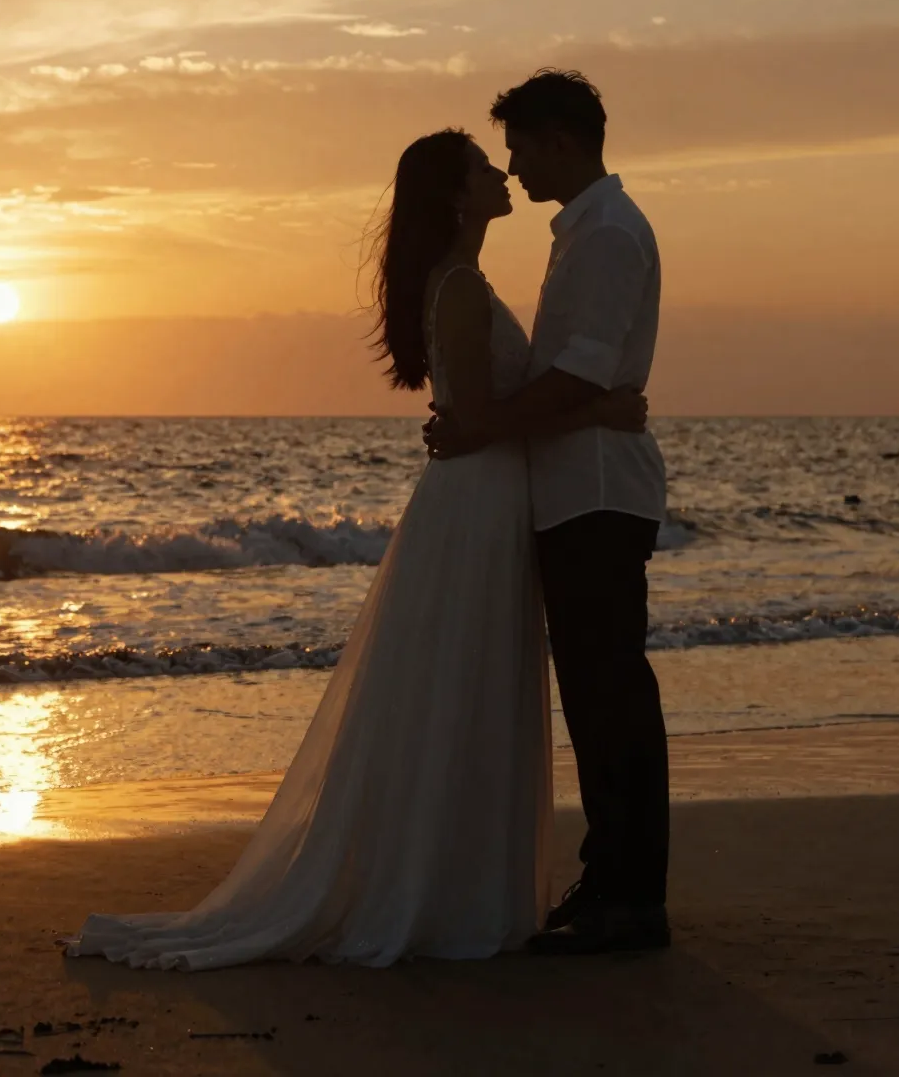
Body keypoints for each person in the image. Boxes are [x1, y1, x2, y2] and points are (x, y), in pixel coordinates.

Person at [67, 128, 646, 969]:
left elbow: (475, 417)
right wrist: (596, 411)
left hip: (485, 500)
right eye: (485, 168)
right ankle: (440, 893)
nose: (502, 173)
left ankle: (457, 883)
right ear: (456, 196)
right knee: (461, 682)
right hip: (476, 503)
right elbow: (480, 421)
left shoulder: (464, 283)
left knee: (469, 684)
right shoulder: (456, 288)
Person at [427, 69, 670, 956]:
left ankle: (632, 896)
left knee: (610, 696)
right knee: (597, 696)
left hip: (598, 488)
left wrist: (487, 425)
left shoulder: (605, 233)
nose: (515, 167)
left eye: (522, 149)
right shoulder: (582, 234)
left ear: (562, 140)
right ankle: (613, 880)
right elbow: (572, 379)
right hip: (574, 484)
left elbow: (582, 372)